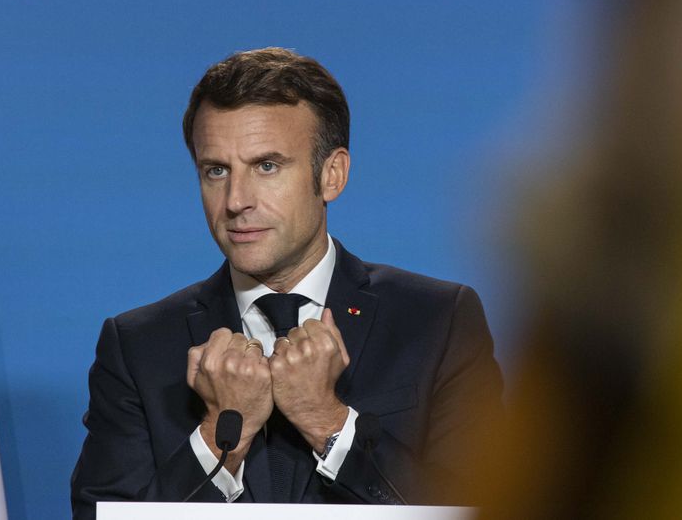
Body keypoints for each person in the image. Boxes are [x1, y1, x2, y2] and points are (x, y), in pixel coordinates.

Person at [71, 48, 502, 517]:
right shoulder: (138, 345)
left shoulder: (436, 321)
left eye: (266, 166)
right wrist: (219, 436)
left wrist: (328, 422)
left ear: (331, 175)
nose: (236, 201)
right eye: (216, 170)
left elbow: (483, 507)